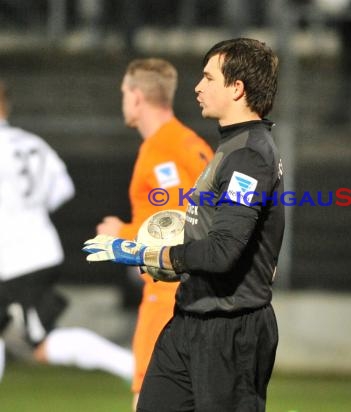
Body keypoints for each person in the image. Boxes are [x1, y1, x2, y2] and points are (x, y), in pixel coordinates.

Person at [83, 38, 284, 411]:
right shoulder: (228, 147)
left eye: (208, 78)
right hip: (190, 313)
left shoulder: (249, 156)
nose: (197, 87)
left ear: (237, 88)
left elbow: (223, 249)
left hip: (229, 326)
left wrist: (139, 249)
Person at [93, 58, 213, 409]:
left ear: (135, 96)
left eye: (123, 93)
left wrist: (119, 235)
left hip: (170, 294)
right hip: (197, 295)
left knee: (147, 400)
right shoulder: (191, 143)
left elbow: (178, 226)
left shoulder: (164, 151)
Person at [0, 79, 133, 383]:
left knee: (40, 344)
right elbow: (62, 189)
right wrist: (27, 211)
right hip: (38, 246)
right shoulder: (32, 143)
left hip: (14, 258)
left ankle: (130, 364)